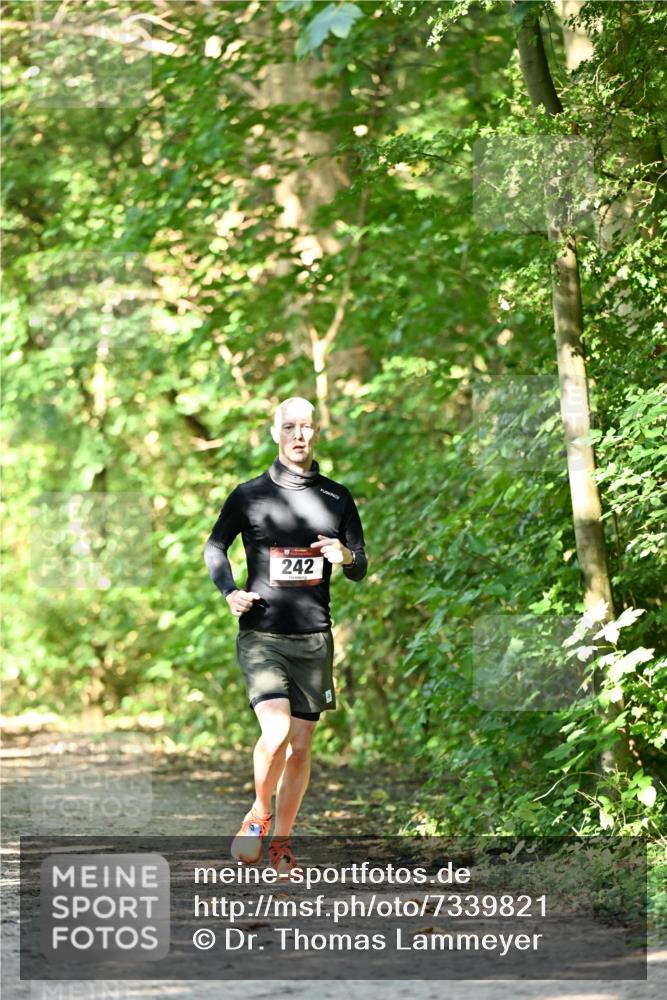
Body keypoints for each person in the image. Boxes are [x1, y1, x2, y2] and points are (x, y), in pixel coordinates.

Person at [203, 396, 367, 874]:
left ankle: (282, 843)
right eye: (290, 427)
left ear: (316, 433)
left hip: (313, 639)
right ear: (275, 432)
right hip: (262, 635)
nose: (299, 435)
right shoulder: (249, 494)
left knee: (300, 747)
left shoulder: (337, 497)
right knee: (275, 733)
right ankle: (258, 814)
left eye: (308, 427)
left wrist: (345, 555)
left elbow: (360, 564)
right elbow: (216, 545)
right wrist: (228, 591)